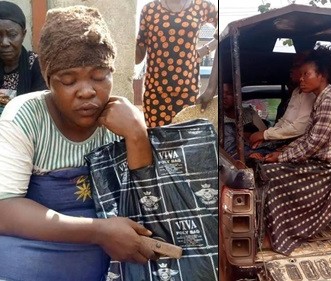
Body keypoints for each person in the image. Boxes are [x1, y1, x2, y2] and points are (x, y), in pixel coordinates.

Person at [0, 6, 158, 281]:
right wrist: (98, 230)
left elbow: (150, 208)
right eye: (68, 80)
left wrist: (136, 135)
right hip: (29, 259)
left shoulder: (121, 121)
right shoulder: (26, 116)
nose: (86, 91)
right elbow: (5, 208)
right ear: (49, 81)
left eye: (99, 77)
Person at [261, 49, 331, 255]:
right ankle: (271, 232)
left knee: (272, 176)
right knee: (265, 169)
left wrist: (281, 157)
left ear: (322, 75)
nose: (301, 79)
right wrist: (284, 149)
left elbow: (314, 144)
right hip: (315, 163)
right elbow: (307, 137)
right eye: (300, 75)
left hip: (327, 170)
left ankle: (280, 236)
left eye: (306, 74)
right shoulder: (320, 99)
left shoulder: (329, 102)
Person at [136, 0, 218, 127]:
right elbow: (138, 56)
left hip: (188, 93)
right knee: (157, 143)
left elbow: (224, 32)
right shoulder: (149, 9)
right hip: (155, 94)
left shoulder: (202, 6)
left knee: (186, 143)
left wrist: (205, 50)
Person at [249, 56, 316, 149]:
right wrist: (268, 137)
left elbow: (299, 128)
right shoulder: (296, 92)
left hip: (294, 146)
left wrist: (265, 135)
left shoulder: (311, 95)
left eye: (296, 66)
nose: (291, 70)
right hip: (283, 142)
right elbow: (283, 121)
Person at [0, 1, 46, 115]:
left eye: (12, 35)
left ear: (23, 34)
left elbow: (41, 109)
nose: (4, 42)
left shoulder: (36, 64)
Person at [222, 82, 268, 159]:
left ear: (237, 96)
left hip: (255, 149)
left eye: (229, 94)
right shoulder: (220, 119)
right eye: (222, 93)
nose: (224, 97)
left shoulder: (249, 113)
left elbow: (263, 133)